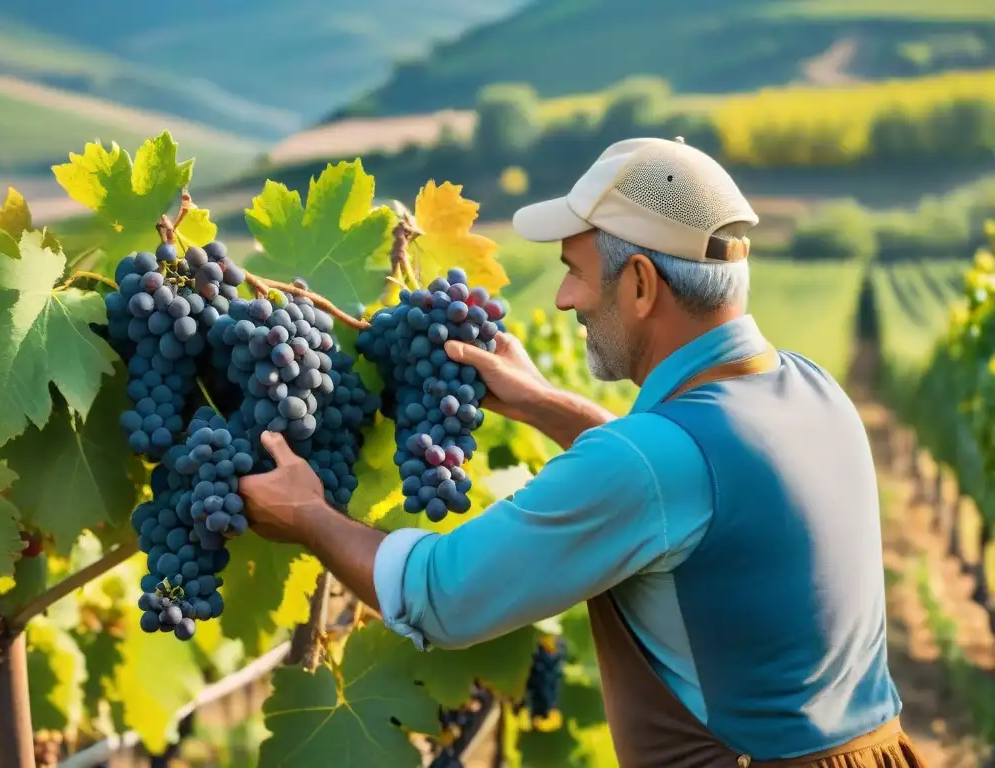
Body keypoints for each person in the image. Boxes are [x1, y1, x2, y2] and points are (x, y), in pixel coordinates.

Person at [239, 137, 925, 768]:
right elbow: (684, 491)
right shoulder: (813, 390)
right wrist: (544, 402)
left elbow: (438, 595)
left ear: (642, 285)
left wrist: (310, 515)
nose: (566, 300)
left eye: (575, 272)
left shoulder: (653, 464)